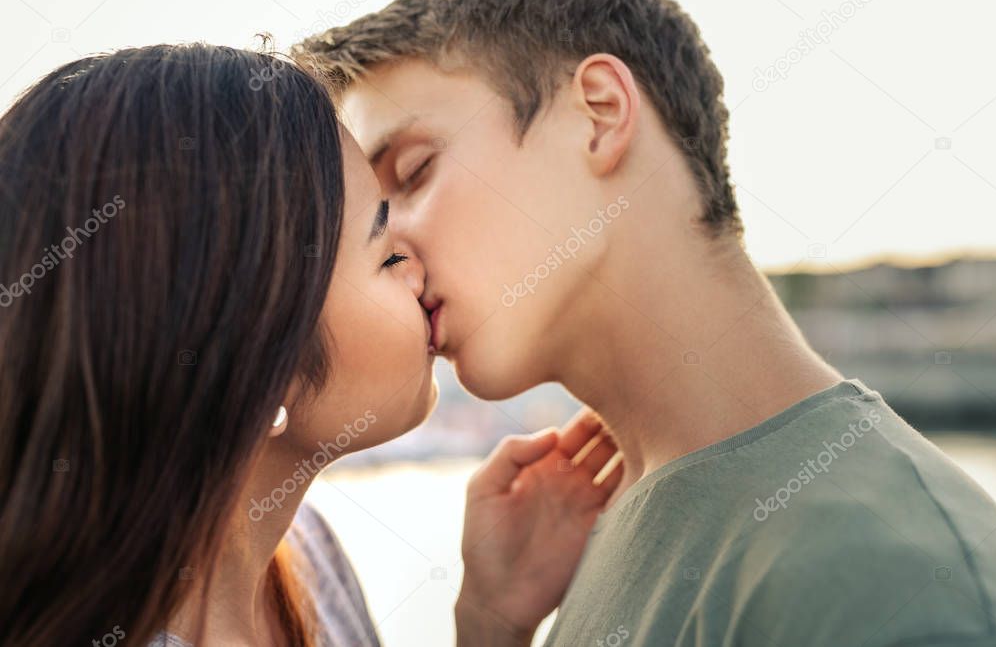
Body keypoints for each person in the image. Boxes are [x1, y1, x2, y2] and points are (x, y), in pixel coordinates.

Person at [294, 0, 996, 644]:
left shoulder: (889, 576)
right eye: (375, 213)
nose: (391, 250)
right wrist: (488, 627)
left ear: (600, 114)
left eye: (415, 172)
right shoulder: (594, 534)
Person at [0, 43, 622, 647]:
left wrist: (490, 620)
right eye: (384, 250)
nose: (420, 265)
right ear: (261, 369)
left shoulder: (306, 557)